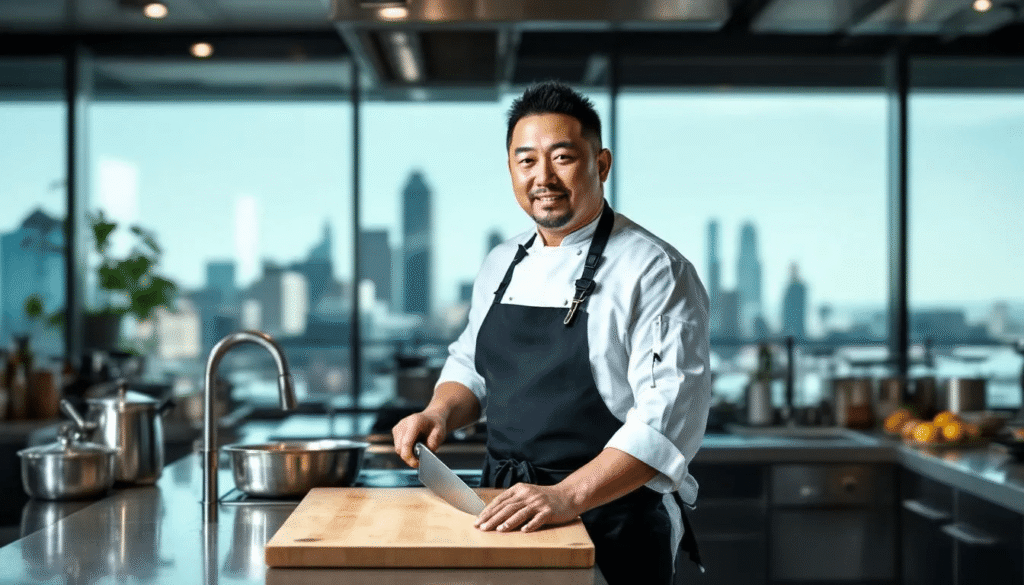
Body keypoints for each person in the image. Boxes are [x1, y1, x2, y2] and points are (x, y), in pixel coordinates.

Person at [392, 80, 712, 584]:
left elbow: (665, 424)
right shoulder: (502, 261)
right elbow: (470, 366)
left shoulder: (654, 270)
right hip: (502, 510)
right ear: (511, 170)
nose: (543, 177)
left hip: (612, 521)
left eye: (562, 157)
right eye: (526, 161)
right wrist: (438, 412)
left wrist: (565, 496)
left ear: (601, 165)